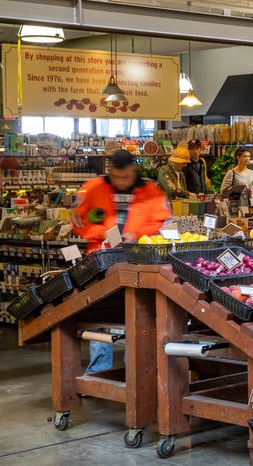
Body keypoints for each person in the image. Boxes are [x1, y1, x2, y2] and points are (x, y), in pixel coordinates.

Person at [70, 149, 172, 372]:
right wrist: (102, 232)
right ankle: (99, 370)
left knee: (139, 315)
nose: (121, 181)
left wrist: (137, 235)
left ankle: (135, 369)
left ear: (134, 171)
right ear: (110, 171)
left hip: (139, 260)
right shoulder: (93, 188)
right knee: (99, 316)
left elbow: (164, 221)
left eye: (125, 177)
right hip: (100, 260)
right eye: (116, 177)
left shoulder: (151, 191)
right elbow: (77, 219)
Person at [220, 148, 253, 213]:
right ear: (238, 158)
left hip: (252, 206)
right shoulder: (232, 172)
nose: (247, 158)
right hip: (238, 207)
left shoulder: (252, 173)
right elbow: (223, 191)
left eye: (249, 156)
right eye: (245, 156)